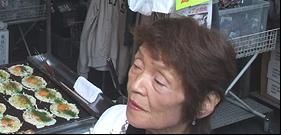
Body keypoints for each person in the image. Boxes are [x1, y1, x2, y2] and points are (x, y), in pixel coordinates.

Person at [93, 15, 237, 134]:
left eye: (159, 81)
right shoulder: (113, 121)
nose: (136, 86)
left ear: (203, 104)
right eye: (137, 65)